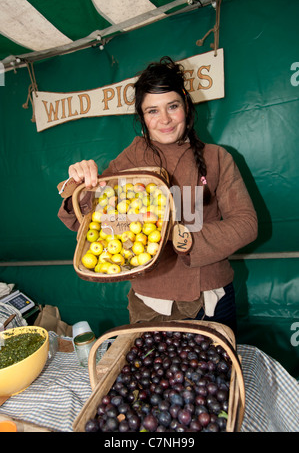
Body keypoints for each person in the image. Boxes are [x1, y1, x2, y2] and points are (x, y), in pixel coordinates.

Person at [58, 56, 258, 334]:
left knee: (213, 375)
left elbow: (246, 223)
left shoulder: (217, 158)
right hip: (147, 303)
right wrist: (80, 184)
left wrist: (190, 241)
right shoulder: (130, 159)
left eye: (172, 107)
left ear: (186, 107)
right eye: (152, 111)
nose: (164, 119)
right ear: (142, 117)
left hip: (209, 297)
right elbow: (90, 221)